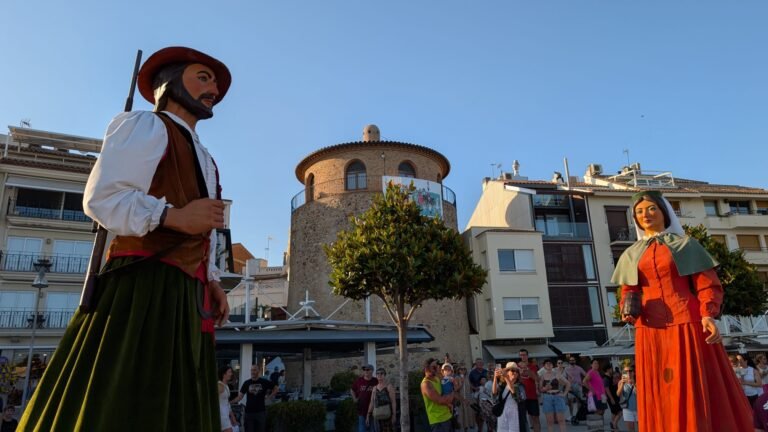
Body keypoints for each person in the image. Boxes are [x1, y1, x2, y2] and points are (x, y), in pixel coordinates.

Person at [18, 46, 231, 431]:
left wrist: (212, 279)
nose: (212, 87)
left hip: (188, 293)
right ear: (169, 84)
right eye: (203, 77)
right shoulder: (147, 127)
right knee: (123, 397)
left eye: (214, 82)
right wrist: (173, 216)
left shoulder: (206, 157)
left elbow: (205, 230)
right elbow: (101, 198)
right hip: (143, 284)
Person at [614, 190, 753, 431]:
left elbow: (707, 284)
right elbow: (628, 289)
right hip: (649, 328)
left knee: (690, 384)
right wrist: (627, 307)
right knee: (660, 387)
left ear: (664, 212)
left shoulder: (686, 245)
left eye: (651, 208)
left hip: (687, 321)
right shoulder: (632, 253)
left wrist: (708, 313)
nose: (645, 214)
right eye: (639, 211)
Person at [232, 365, 277, 432]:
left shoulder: (264, 382)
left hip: (261, 412)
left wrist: (269, 397)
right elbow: (240, 396)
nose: (252, 372)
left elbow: (276, 388)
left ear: (258, 371)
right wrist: (230, 402)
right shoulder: (247, 383)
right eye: (252, 370)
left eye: (254, 370)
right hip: (249, 412)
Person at [420, 358, 454, 432]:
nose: (437, 368)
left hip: (447, 416)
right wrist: (453, 393)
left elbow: (444, 391)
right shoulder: (426, 384)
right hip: (438, 421)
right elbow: (440, 400)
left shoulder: (437, 378)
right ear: (427, 368)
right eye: (434, 367)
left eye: (438, 366)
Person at [492, 362, 527, 432]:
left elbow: (516, 396)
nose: (515, 372)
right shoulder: (503, 385)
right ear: (507, 372)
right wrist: (495, 378)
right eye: (512, 370)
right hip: (503, 412)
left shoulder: (520, 385)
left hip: (515, 412)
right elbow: (494, 394)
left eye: (517, 371)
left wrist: (506, 377)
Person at [539, 359, 570, 432]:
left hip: (558, 396)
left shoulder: (557, 374)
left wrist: (564, 394)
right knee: (550, 422)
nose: (549, 365)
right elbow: (540, 389)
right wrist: (545, 388)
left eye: (550, 363)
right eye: (547, 364)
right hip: (547, 397)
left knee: (561, 420)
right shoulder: (542, 376)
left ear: (553, 365)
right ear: (544, 366)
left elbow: (568, 384)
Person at [518, 348, 541, 432]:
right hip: (521, 396)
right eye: (521, 355)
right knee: (522, 419)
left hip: (532, 396)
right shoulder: (516, 367)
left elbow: (536, 378)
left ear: (527, 356)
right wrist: (519, 372)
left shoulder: (533, 366)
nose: (523, 357)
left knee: (535, 417)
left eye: (524, 355)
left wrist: (527, 370)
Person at [352, 364, 378, 432]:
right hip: (361, 410)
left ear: (372, 371)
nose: (365, 371)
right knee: (362, 429)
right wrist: (354, 399)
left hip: (373, 410)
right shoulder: (359, 380)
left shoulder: (376, 381)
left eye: (367, 369)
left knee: (373, 429)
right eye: (364, 369)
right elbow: (352, 389)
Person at [468, 358, 488, 431]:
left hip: (486, 394)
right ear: (476, 364)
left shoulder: (486, 371)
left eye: (481, 363)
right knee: (478, 412)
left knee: (487, 411)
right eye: (478, 363)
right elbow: (469, 382)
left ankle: (489, 428)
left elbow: (489, 381)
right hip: (476, 395)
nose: (480, 364)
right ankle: (480, 428)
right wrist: (474, 388)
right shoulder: (472, 372)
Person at [454, 365, 476, 432]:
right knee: (462, 415)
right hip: (461, 399)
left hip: (468, 399)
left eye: (464, 369)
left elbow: (470, 386)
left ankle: (466, 429)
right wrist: (461, 383)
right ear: (458, 370)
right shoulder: (457, 378)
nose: (463, 370)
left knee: (468, 415)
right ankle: (462, 429)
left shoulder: (467, 377)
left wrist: (476, 388)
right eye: (461, 369)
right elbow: (455, 389)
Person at [616, 366, 637, 432]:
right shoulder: (621, 382)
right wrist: (622, 383)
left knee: (642, 428)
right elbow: (618, 394)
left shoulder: (637, 381)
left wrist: (633, 383)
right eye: (625, 372)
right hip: (627, 409)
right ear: (623, 373)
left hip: (638, 409)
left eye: (630, 371)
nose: (628, 373)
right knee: (631, 430)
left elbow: (638, 394)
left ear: (633, 373)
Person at [219, 365, 239, 432]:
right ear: (224, 374)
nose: (231, 374)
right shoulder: (219, 386)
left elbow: (227, 404)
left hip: (226, 415)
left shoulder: (226, 386)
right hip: (221, 416)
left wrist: (233, 418)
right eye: (229, 372)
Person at [602, 365, 621, 431]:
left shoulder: (609, 377)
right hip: (611, 398)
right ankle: (614, 424)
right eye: (611, 369)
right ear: (608, 369)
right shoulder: (606, 378)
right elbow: (606, 389)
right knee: (620, 412)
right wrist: (611, 398)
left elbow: (611, 386)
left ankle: (613, 424)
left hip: (613, 397)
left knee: (614, 412)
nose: (612, 370)